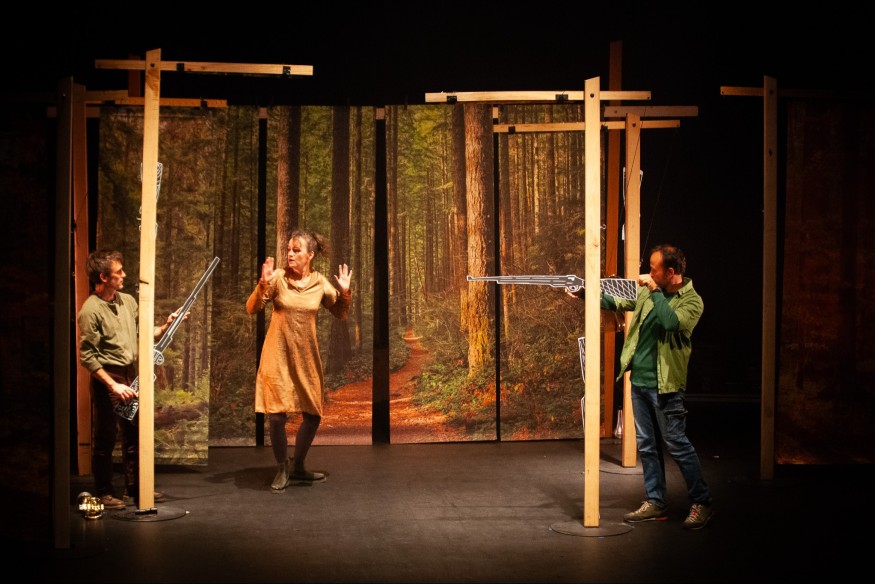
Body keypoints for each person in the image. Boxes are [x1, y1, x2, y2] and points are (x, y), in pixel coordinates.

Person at [579, 244, 713, 529]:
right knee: (647, 446)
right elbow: (619, 303)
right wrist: (585, 293)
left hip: (666, 386)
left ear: (671, 272)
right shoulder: (650, 292)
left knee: (677, 444)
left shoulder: (692, 301)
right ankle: (656, 502)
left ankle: (702, 501)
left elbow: (670, 323)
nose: (649, 274)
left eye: (654, 270)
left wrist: (653, 290)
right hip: (639, 382)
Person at [77, 249, 185, 510]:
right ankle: (104, 492)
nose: (124, 275)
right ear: (103, 277)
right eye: (118, 272)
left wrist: (167, 325)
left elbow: (146, 333)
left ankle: (135, 489)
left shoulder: (127, 301)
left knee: (134, 434)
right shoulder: (90, 310)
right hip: (108, 376)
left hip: (130, 371)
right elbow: (87, 356)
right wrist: (113, 385)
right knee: (105, 437)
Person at [246, 229, 352, 491]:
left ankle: (299, 466)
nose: (290, 254)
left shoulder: (320, 283)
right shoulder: (278, 278)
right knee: (276, 416)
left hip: (306, 357)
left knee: (312, 414)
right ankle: (282, 467)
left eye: (296, 250)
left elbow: (340, 313)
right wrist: (262, 285)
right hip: (277, 355)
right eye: (289, 250)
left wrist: (345, 292)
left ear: (310, 255)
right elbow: (252, 308)